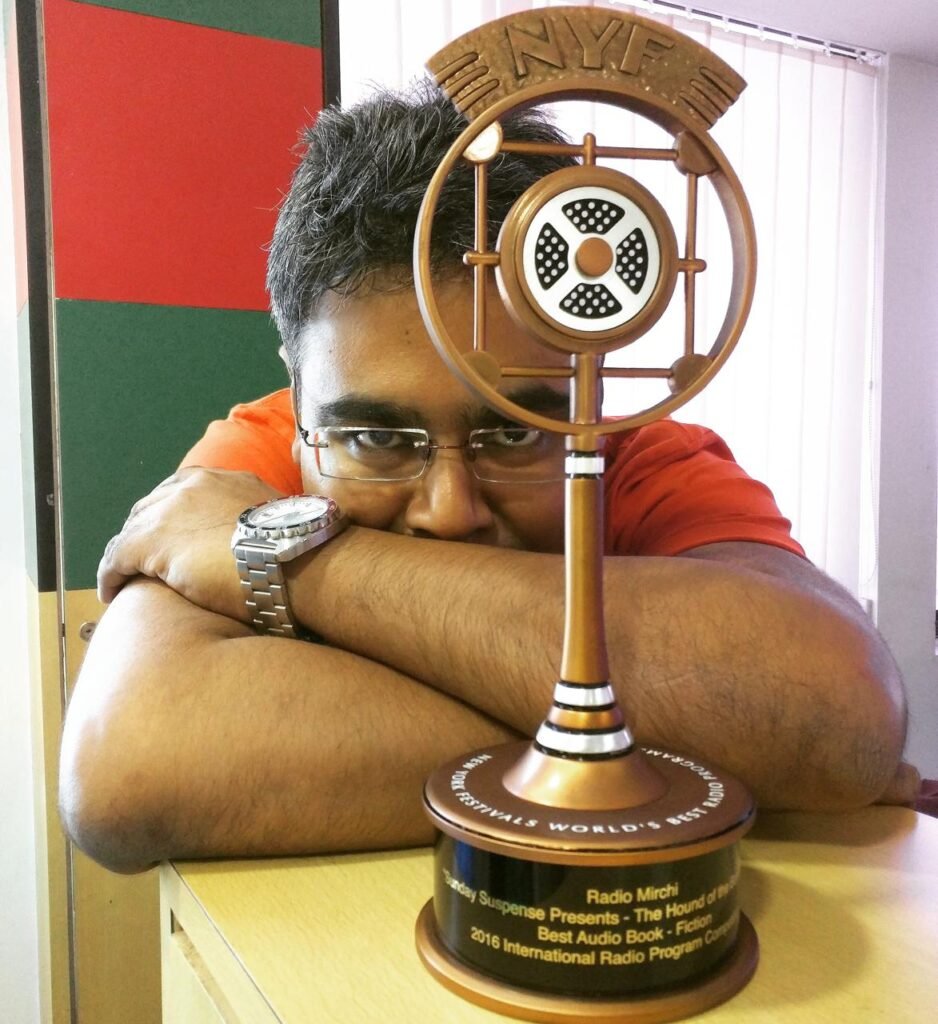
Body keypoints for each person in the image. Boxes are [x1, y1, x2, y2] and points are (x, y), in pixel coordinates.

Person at [59, 83, 914, 875]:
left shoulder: (641, 456)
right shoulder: (261, 449)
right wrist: (709, 731)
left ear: (590, 385)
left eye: (514, 432)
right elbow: (130, 768)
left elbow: (830, 710)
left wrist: (297, 560)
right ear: (299, 384)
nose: (449, 513)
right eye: (374, 438)